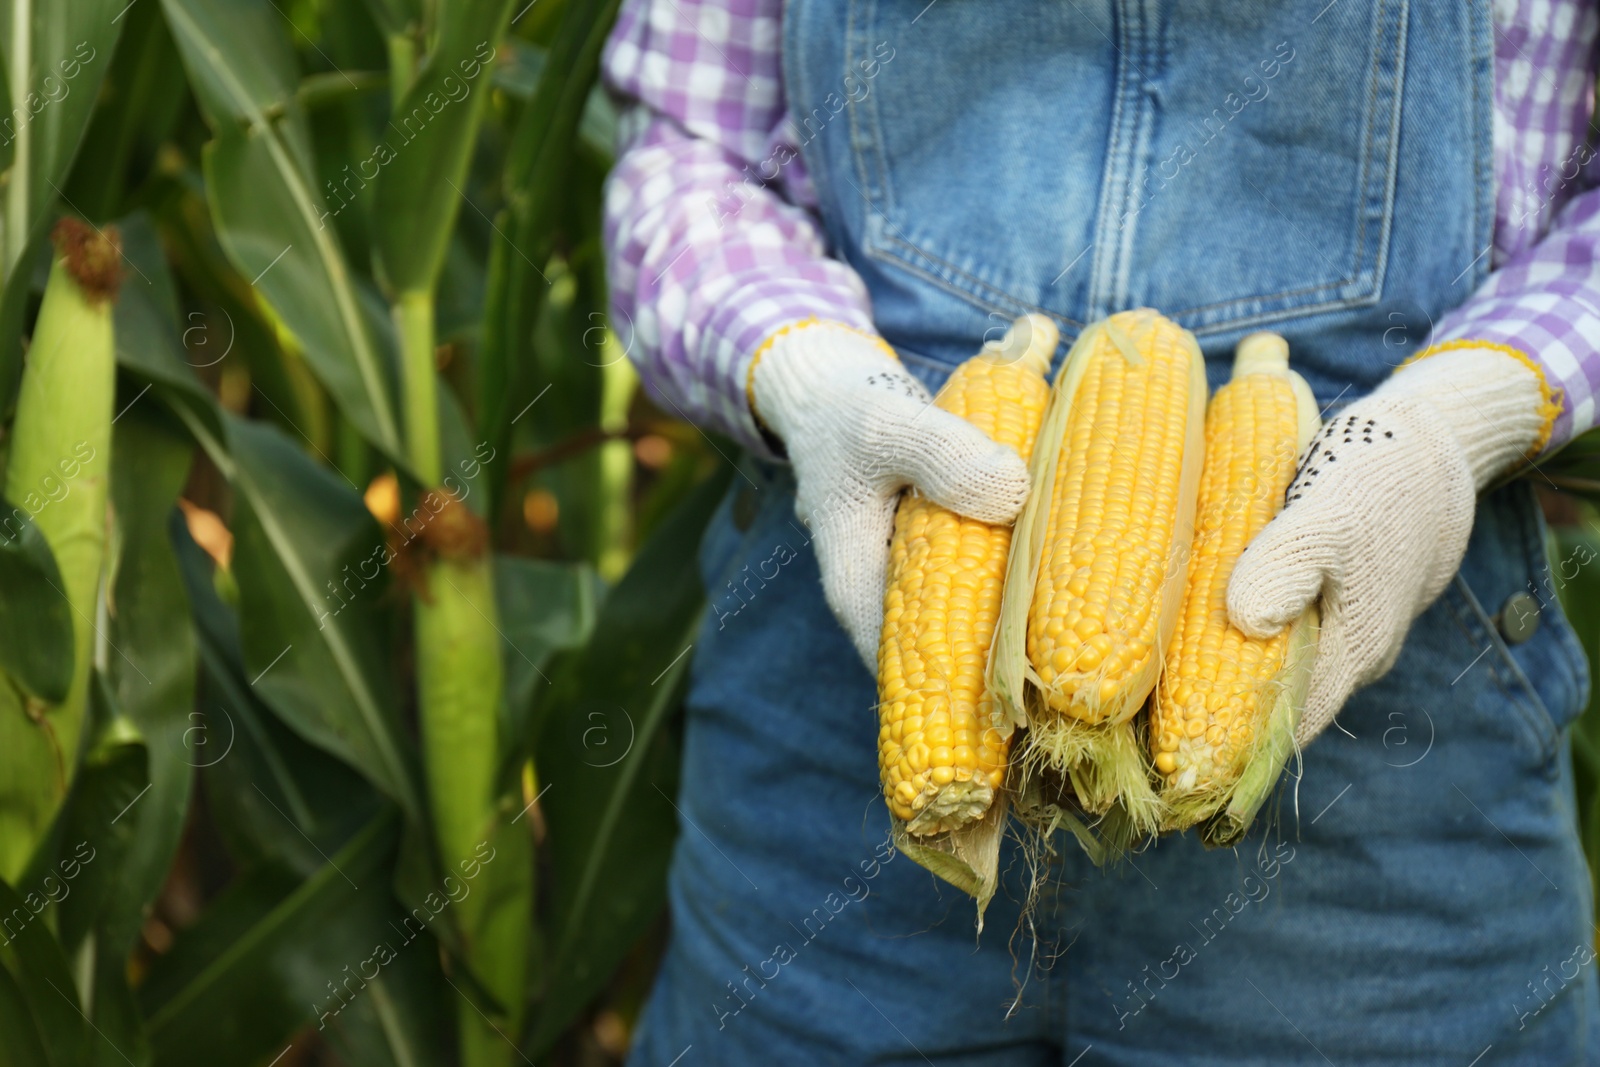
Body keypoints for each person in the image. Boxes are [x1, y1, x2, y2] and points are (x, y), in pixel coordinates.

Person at [602, 1, 1600, 1061]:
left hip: (1383, 769)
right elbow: (688, 152)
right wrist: (803, 373)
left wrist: (1460, 419)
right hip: (842, 704)